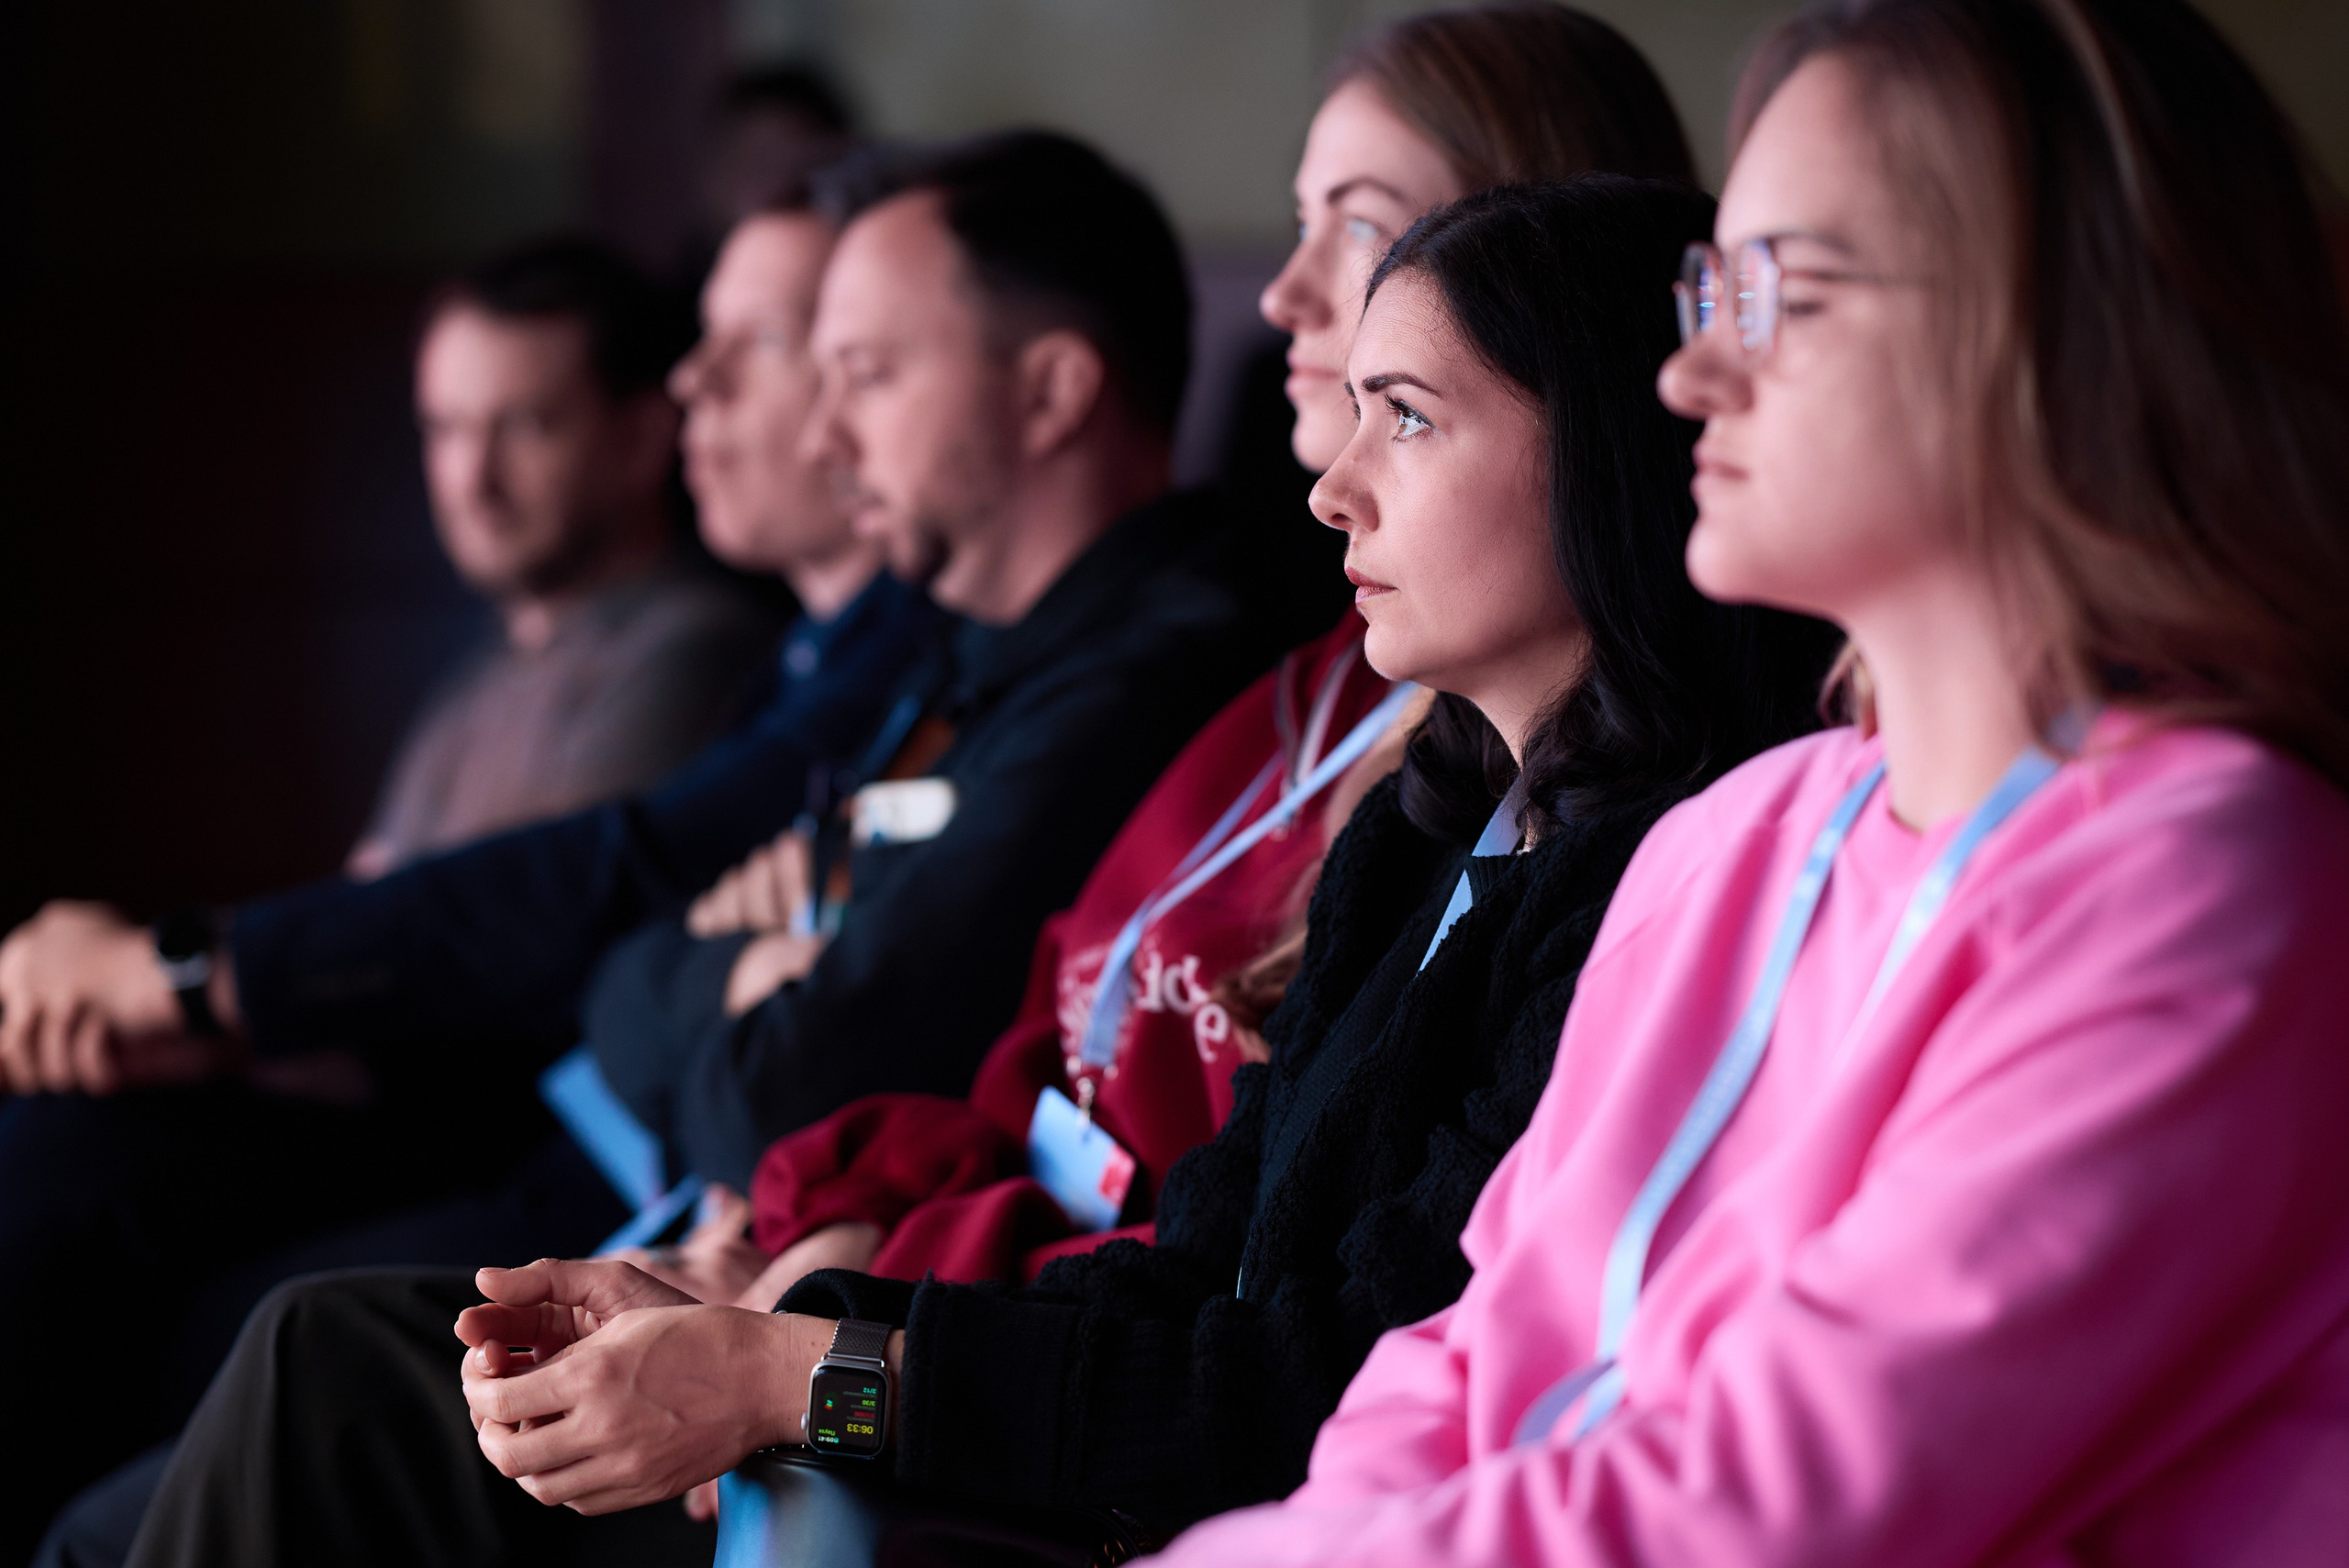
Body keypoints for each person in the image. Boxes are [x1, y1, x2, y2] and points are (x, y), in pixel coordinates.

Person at [112, 167, 1839, 1568]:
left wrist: (798, 1376)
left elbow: (1299, 1387)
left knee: (328, 1377)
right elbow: (1196, 1263)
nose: (1329, 488)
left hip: (1189, 1504)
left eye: (1405, 417)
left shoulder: (1658, 888)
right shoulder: (1424, 827)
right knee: (331, 1350)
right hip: (1079, 1435)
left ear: (1608, 447)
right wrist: (779, 1324)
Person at [1149, 2, 2349, 1564]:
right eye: (1713, 291)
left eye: (1782, 288)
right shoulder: (1741, 833)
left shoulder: (2210, 876)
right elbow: (1461, 1361)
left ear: (2055, 333)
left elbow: (1770, 1501)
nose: (1695, 372)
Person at [621, 0, 1716, 1323]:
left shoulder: (1577, 828)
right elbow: (1053, 1067)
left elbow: (1293, 1345)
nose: (1285, 292)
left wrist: (844, 1343)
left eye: (1359, 227)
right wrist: (850, 1265)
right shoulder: (1327, 691)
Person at [0, 186, 942, 1562]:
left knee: (210, 1311)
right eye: (444, 428)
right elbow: (636, 957)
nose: (699, 385)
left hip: (626, 1190)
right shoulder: (551, 674)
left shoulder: (725, 652)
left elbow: (589, 922)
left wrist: (195, 980)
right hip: (650, 1184)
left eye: (524, 424)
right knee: (82, 1172)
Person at [345, 238, 785, 883]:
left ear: (641, 439)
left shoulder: (694, 651)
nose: (473, 480)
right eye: (447, 428)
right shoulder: (476, 683)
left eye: (524, 426)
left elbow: (549, 912)